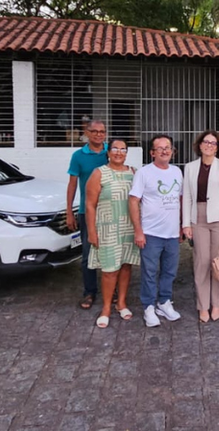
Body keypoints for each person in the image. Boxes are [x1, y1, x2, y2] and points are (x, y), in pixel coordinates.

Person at [129, 135, 183, 327]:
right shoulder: (144, 173)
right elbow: (133, 201)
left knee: (169, 271)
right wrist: (138, 231)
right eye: (159, 148)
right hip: (151, 233)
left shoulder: (177, 172)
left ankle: (164, 302)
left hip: (172, 234)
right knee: (150, 273)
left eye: (167, 147)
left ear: (172, 150)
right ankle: (149, 307)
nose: (164, 151)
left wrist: (182, 226)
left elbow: (181, 199)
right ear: (152, 153)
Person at [85, 139, 140, 328]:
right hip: (108, 228)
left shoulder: (133, 173)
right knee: (109, 270)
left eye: (122, 149)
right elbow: (90, 205)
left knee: (126, 266)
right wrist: (91, 231)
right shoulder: (99, 173)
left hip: (128, 227)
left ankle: (121, 303)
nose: (118, 152)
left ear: (126, 153)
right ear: (108, 151)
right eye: (115, 148)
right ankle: (106, 307)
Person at [182, 131, 219, 323]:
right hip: (198, 218)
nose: (209, 145)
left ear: (218, 146)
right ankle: (203, 306)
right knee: (201, 262)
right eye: (206, 142)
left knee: (218, 262)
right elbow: (187, 197)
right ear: (200, 145)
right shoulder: (190, 167)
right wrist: (186, 224)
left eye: (213, 143)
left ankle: (217, 304)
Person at [66, 118, 108, 310]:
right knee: (87, 254)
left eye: (102, 131)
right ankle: (90, 291)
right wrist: (69, 212)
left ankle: (112, 289)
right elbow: (72, 184)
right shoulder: (78, 156)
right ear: (87, 133)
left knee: (110, 252)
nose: (99, 134)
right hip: (87, 212)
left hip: (109, 212)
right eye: (95, 131)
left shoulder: (110, 152)